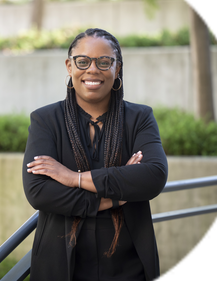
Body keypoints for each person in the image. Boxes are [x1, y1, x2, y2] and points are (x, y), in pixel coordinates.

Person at [22, 28, 168, 281]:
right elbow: (39, 192)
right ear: (69, 66)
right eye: (83, 61)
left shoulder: (140, 118)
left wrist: (72, 178)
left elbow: (153, 176)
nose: (92, 69)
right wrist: (113, 199)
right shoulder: (45, 120)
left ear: (117, 68)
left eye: (104, 62)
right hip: (62, 264)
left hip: (130, 265)